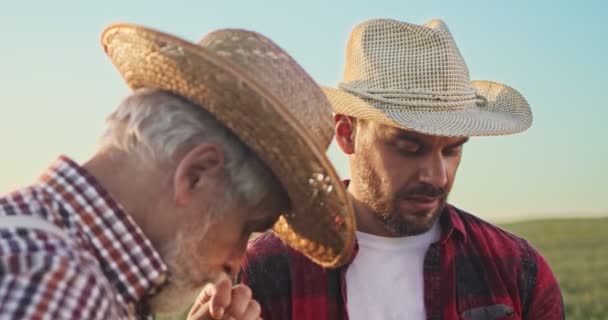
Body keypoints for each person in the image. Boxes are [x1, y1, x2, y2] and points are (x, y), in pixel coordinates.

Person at [0, 23, 355, 320]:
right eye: (246, 227)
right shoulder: (60, 286)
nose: (235, 262)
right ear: (196, 174)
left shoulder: (39, 248)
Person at [240, 18, 564, 319]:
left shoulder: (517, 268)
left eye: (453, 149)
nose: (437, 176)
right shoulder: (266, 271)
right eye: (409, 147)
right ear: (346, 134)